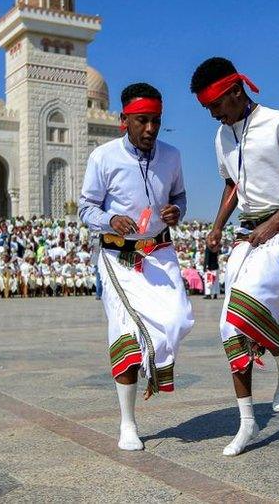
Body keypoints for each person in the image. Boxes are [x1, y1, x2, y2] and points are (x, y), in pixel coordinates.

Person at [191, 57, 279, 456]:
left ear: (235, 91)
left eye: (215, 106)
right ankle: (248, 420)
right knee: (228, 329)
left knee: (245, 307)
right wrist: (217, 224)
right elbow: (232, 185)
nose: (213, 115)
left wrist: (275, 222)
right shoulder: (222, 137)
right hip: (249, 234)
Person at [79, 82, 193, 452]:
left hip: (159, 253)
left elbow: (179, 196)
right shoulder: (103, 157)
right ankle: (128, 423)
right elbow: (86, 208)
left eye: (156, 121)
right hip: (118, 257)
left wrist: (177, 211)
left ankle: (151, 356)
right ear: (123, 120)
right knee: (125, 331)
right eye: (142, 121)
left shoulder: (172, 156)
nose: (150, 130)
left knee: (177, 319)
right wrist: (111, 220)